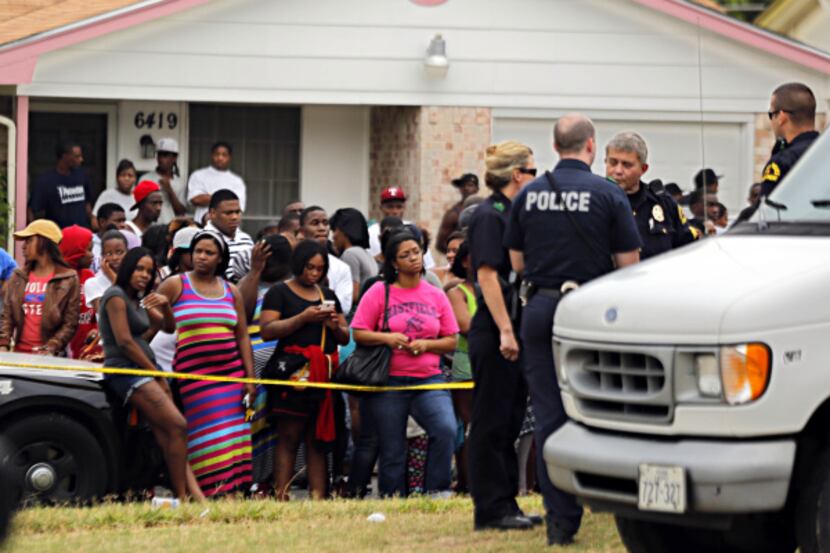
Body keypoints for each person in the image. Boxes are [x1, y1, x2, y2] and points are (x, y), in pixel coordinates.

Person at [504, 114, 642, 545]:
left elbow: (516, 265)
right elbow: (629, 269)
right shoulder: (609, 193)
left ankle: (560, 522)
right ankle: (609, 499)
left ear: (555, 144)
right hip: (592, 312)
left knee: (549, 415)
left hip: (541, 307)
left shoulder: (530, 195)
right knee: (604, 410)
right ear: (591, 146)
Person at [351, 231, 458, 498]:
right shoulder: (379, 291)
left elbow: (451, 340)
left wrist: (427, 345)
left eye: (416, 251)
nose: (413, 258)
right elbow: (359, 332)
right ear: (393, 263)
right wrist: (387, 338)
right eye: (405, 255)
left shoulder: (435, 294)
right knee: (392, 447)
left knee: (446, 428)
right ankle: (392, 498)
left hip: (429, 379)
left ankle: (437, 491)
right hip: (389, 380)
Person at [465, 140, 537, 532]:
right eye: (533, 171)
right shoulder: (489, 215)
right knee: (491, 422)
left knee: (510, 421)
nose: (536, 179)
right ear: (517, 175)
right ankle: (490, 509)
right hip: (496, 330)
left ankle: (508, 502)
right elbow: (489, 275)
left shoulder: (511, 213)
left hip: (514, 327)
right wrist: (506, 331)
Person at [158, 229, 256, 497]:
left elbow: (243, 335)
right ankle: (210, 492)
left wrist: (249, 378)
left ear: (220, 258)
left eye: (209, 253)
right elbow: (147, 309)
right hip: (195, 377)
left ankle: (233, 493)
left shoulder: (231, 290)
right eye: (197, 251)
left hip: (231, 375)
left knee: (234, 434)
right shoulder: (176, 284)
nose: (201, 257)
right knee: (211, 436)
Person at [97, 247, 197, 501]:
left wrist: (165, 306)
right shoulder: (115, 296)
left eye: (150, 271)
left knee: (170, 433)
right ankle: (184, 497)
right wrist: (157, 374)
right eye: (139, 268)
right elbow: (125, 343)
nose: (144, 275)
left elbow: (168, 327)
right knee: (177, 425)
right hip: (128, 371)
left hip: (146, 369)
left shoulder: (138, 300)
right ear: (128, 268)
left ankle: (195, 498)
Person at [259, 240, 350, 499]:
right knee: (289, 436)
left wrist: (334, 325)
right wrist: (303, 318)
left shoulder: (328, 295)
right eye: (309, 267)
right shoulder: (279, 292)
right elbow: (267, 330)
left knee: (318, 438)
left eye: (319, 269)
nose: (314, 273)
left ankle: (319, 496)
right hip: (294, 374)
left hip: (323, 374)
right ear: (298, 264)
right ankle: (281, 495)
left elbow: (344, 336)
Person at [237, 234, 293, 486]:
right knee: (253, 424)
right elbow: (241, 312)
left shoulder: (293, 286)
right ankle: (253, 478)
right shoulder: (248, 283)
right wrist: (255, 271)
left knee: (285, 427)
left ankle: (281, 479)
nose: (269, 267)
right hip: (253, 372)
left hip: (287, 371)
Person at [605, 132, 699, 260]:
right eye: (613, 163)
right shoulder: (596, 201)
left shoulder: (664, 203)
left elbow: (688, 247)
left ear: (643, 169)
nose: (618, 171)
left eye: (627, 165)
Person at [0, 220, 79, 355]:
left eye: (29, 241)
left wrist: (52, 346)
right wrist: (3, 344)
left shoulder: (69, 279)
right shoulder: (18, 276)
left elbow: (70, 322)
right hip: (18, 356)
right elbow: (7, 316)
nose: (24, 246)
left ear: (44, 242)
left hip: (51, 359)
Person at [446, 240, 475, 493]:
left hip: (495, 365)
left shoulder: (500, 288)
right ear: (464, 261)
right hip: (467, 365)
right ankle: (467, 482)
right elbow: (465, 326)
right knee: (469, 427)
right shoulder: (457, 292)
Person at [150, 226, 200, 373]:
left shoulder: (213, 282)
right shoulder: (169, 282)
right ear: (179, 253)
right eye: (190, 251)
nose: (196, 256)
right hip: (166, 357)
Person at [761, 82, 819, 197]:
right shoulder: (824, 152)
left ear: (782, 117)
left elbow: (766, 210)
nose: (771, 121)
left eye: (771, 114)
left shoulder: (783, 161)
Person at [58, 225, 101, 361]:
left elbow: (97, 313)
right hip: (61, 352)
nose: (92, 255)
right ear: (75, 250)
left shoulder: (89, 277)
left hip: (85, 351)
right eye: (88, 250)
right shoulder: (57, 279)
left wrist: (96, 329)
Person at [299, 206, 353, 314]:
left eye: (325, 223)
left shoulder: (341, 267)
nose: (322, 228)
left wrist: (322, 300)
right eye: (315, 223)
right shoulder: (293, 262)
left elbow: (344, 307)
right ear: (302, 231)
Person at [28, 142, 95, 229]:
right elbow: (32, 210)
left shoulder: (82, 175)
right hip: (58, 235)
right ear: (65, 156)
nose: (81, 159)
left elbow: (87, 204)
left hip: (82, 233)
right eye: (77, 156)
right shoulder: (46, 181)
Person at [367, 187, 435, 269]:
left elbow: (429, 265)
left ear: (404, 207)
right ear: (381, 208)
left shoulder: (412, 229)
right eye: (390, 207)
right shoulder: (371, 232)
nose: (395, 211)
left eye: (399, 207)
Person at [188, 142, 247, 224]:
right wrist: (225, 199)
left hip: (227, 229)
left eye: (224, 155)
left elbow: (238, 207)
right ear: (212, 155)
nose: (220, 158)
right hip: (201, 226)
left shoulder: (237, 181)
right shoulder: (198, 175)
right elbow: (196, 199)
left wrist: (207, 197)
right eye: (217, 154)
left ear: (229, 157)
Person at [203, 189, 254, 283]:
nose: (234, 217)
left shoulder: (246, 239)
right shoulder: (203, 239)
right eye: (228, 213)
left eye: (237, 212)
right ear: (212, 213)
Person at [330, 208, 377, 308]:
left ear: (344, 231)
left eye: (334, 230)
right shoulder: (366, 253)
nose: (333, 236)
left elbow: (352, 296)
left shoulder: (350, 254)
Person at [139, 138, 188, 224]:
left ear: (174, 158)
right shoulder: (145, 179)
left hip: (169, 228)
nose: (161, 159)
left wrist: (169, 190)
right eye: (159, 155)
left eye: (165, 155)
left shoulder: (180, 183)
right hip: (149, 227)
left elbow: (181, 212)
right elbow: (139, 207)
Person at [85, 230, 128, 314]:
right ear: (102, 256)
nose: (114, 257)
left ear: (127, 252)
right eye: (108, 254)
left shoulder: (133, 279)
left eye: (119, 252)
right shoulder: (93, 283)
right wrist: (112, 277)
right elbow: (103, 312)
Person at [436, 173, 480, 254]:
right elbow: (440, 244)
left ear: (477, 189)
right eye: (463, 185)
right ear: (460, 189)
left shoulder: (485, 209)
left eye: (470, 185)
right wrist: (457, 255)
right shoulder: (453, 214)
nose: (466, 188)